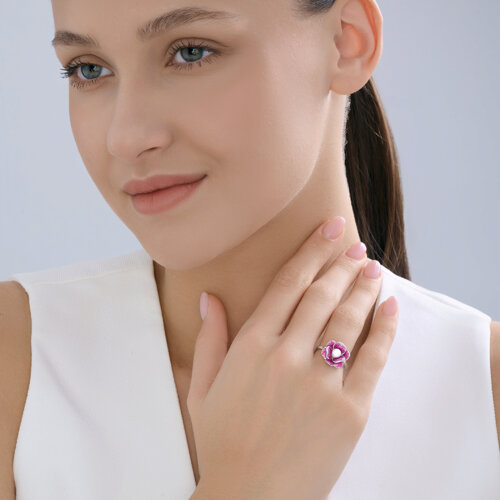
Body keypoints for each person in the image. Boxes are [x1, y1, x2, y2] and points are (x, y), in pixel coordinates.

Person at [1, 0, 499, 498]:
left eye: (191, 52)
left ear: (348, 41)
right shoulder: (15, 357)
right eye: (88, 69)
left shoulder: (485, 390)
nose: (126, 138)